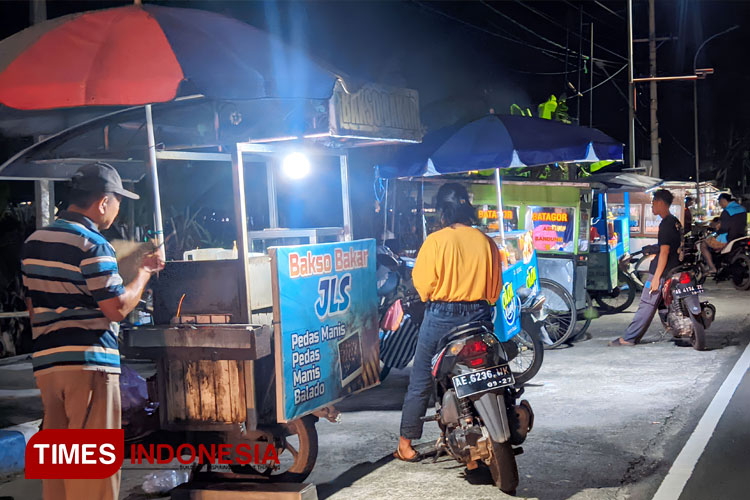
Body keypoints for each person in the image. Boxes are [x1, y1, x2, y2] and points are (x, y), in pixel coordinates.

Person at [21, 162, 164, 500]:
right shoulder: (92, 243)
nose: (117, 209)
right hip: (89, 366)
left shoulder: (34, 241)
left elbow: (32, 306)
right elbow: (116, 307)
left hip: (48, 367)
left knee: (60, 468)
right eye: (117, 201)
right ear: (103, 202)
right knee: (92, 473)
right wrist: (143, 272)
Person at [394, 183, 530, 462]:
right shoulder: (486, 242)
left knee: (421, 377)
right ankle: (506, 416)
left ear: (442, 212)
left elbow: (423, 286)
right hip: (478, 316)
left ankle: (406, 444)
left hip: (440, 318)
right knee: (494, 370)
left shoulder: (435, 241)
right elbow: (495, 290)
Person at [610, 189, 682, 346]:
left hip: (662, 272)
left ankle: (629, 338)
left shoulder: (666, 224)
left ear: (660, 203)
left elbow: (665, 252)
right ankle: (677, 331)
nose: (652, 206)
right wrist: (651, 248)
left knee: (647, 304)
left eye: (653, 203)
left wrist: (656, 278)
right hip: (674, 269)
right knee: (663, 305)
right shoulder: (675, 222)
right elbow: (668, 246)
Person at [700, 193, 748, 274]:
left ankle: (712, 268)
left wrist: (716, 232)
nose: (720, 204)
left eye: (719, 202)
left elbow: (724, 229)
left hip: (727, 239)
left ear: (723, 200)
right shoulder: (743, 209)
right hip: (740, 237)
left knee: (703, 244)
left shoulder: (726, 212)